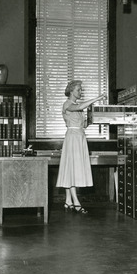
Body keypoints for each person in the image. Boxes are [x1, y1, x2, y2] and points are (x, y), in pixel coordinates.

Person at [56, 80, 107, 214]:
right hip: (72, 137)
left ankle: (68, 201)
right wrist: (97, 98)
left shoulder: (77, 108)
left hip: (79, 137)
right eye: (78, 90)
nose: (80, 92)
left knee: (71, 168)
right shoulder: (68, 104)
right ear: (71, 91)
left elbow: (83, 125)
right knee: (72, 167)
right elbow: (78, 107)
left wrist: (92, 118)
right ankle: (76, 201)